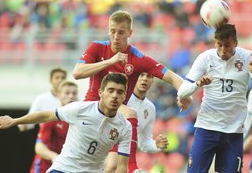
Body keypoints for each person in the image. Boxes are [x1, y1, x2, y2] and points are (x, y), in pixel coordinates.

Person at [72, 10, 190, 172]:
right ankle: (133, 167)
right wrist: (109, 61)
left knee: (111, 167)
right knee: (130, 114)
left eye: (121, 32)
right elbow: (77, 73)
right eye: (112, 31)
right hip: (92, 109)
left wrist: (184, 94)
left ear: (130, 33)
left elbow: (172, 77)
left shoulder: (136, 58)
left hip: (114, 116)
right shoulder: (97, 47)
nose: (116, 36)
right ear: (108, 30)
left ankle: (130, 168)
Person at [177, 24, 252, 172]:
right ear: (215, 43)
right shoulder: (205, 58)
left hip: (233, 132)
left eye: (227, 45)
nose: (223, 50)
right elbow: (181, 93)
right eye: (219, 45)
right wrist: (198, 84)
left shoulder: (247, 57)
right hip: (206, 128)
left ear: (236, 43)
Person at [0, 73, 132, 173]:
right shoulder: (79, 109)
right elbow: (46, 114)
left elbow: (121, 166)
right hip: (64, 169)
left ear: (125, 95)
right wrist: (14, 121)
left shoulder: (125, 127)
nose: (115, 95)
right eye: (111, 90)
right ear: (100, 92)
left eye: (120, 92)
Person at [105, 72, 169, 172]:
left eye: (149, 76)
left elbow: (143, 142)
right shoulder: (121, 98)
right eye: (141, 75)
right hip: (106, 153)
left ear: (152, 81)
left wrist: (155, 145)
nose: (145, 79)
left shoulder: (150, 108)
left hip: (124, 159)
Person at [30, 81, 79, 173]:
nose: (71, 96)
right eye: (67, 93)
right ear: (59, 95)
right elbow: (39, 147)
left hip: (67, 167)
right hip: (44, 167)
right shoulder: (51, 117)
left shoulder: (80, 119)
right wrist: (54, 156)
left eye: (74, 93)